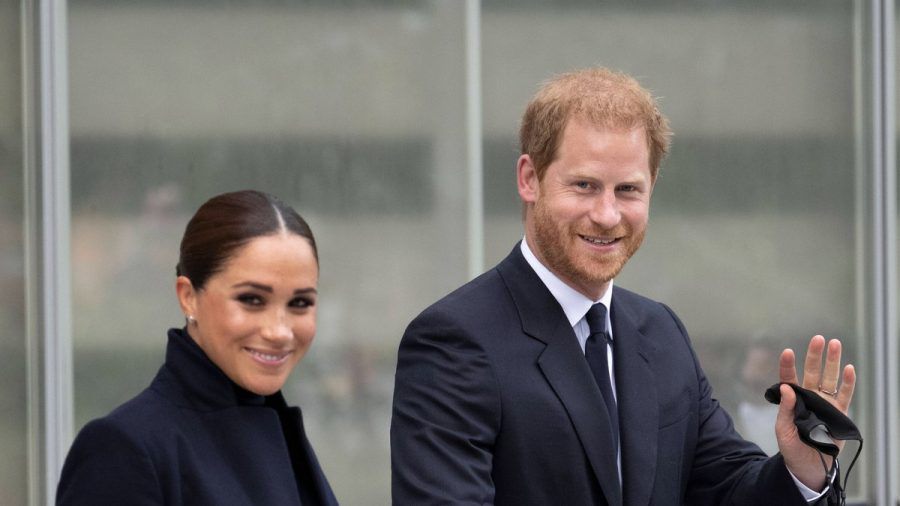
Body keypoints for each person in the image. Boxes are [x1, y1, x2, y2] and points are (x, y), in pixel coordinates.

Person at [390, 68, 856, 505]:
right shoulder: (454, 340)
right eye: (585, 185)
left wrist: (801, 470)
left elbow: (726, 489)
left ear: (652, 185)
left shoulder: (661, 333)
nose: (608, 215)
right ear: (529, 179)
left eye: (628, 189)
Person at [57, 190, 339, 505]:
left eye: (300, 303)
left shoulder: (282, 434)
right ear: (188, 296)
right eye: (251, 300)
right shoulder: (123, 449)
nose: (279, 331)